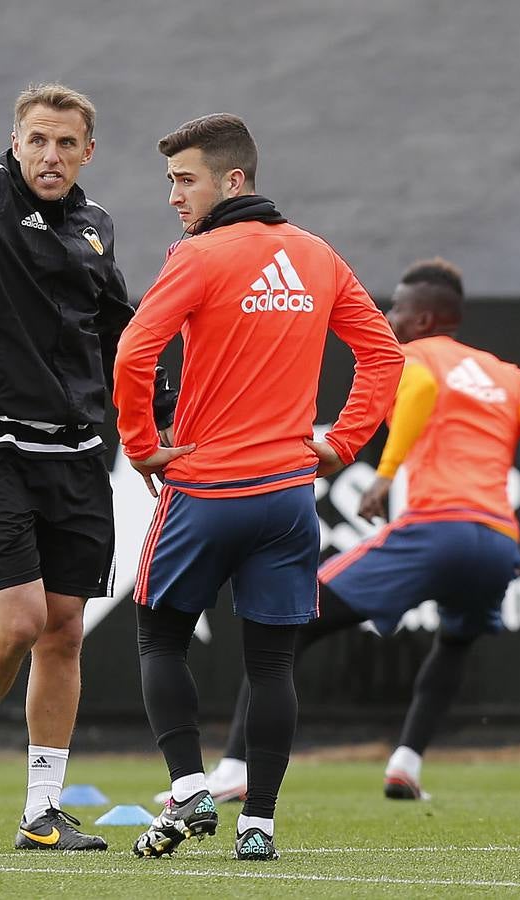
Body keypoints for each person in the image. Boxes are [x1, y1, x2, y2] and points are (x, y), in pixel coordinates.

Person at [114, 114, 403, 861]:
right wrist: (339, 446)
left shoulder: (197, 255)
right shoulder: (316, 254)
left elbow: (133, 354)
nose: (174, 196)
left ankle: (186, 789)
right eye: (171, 180)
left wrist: (145, 448)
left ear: (232, 180)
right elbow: (384, 357)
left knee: (158, 636)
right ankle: (259, 826)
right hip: (285, 497)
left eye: (186, 180)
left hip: (205, 491)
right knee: (272, 663)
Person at [199, 257, 520, 805]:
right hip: (499, 542)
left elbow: (425, 387)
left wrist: (385, 477)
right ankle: (406, 763)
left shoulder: (411, 356)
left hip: (436, 529)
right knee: (456, 640)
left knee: (285, 620)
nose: (387, 315)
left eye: (398, 307)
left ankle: (236, 766)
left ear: (425, 319)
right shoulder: (506, 373)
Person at [0, 84, 173, 851]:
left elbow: (119, 332)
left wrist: (157, 407)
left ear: (88, 151)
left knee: (63, 633)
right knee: (18, 621)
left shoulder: (95, 227)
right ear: (14, 143)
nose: (49, 156)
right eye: (37, 141)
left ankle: (42, 810)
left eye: (66, 143)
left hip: (78, 451)